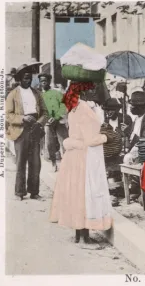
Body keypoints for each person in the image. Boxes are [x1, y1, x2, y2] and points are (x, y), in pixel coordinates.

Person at [50, 81, 113, 244]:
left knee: (75, 194)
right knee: (85, 194)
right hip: (83, 157)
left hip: (72, 156)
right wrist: (106, 137)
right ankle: (85, 237)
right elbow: (91, 138)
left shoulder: (73, 109)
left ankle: (79, 234)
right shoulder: (84, 108)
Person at [6, 64, 48, 201]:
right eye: (25, 78)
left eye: (30, 78)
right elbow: (8, 115)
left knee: (35, 162)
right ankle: (19, 192)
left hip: (35, 129)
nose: (28, 81)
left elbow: (45, 112)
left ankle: (34, 192)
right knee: (20, 162)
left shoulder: (36, 93)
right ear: (19, 79)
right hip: (21, 130)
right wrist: (22, 118)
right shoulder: (13, 94)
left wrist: (39, 123)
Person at [39, 73, 68, 172]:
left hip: (59, 121)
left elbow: (64, 105)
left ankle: (67, 164)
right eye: (41, 81)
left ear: (49, 81)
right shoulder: (40, 95)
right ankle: (53, 163)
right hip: (48, 123)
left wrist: (56, 117)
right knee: (49, 144)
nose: (43, 83)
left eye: (45, 81)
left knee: (64, 142)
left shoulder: (57, 92)